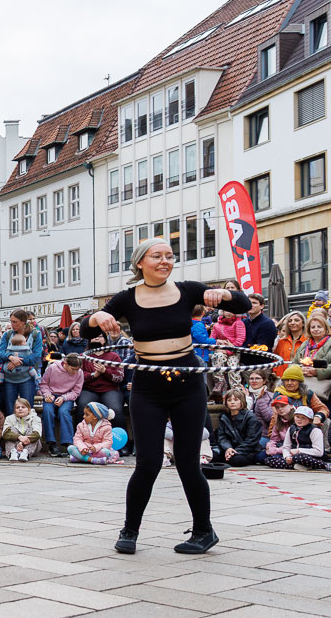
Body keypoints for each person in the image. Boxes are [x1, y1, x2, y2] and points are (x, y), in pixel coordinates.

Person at [81, 238, 250, 556]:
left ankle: (204, 531)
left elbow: (243, 305)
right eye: (156, 256)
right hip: (149, 387)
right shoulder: (127, 298)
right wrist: (95, 318)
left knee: (188, 463)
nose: (165, 261)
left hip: (187, 384)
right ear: (140, 263)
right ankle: (130, 530)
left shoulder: (188, 291)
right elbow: (85, 330)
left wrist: (225, 295)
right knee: (148, 463)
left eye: (170, 256)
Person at [39, 353, 84, 457]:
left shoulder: (79, 373)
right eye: (73, 369)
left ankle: (68, 443)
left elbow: (76, 391)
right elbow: (44, 384)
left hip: (67, 397)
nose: (75, 372)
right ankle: (51, 443)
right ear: (65, 364)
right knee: (48, 411)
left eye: (77, 369)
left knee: (64, 412)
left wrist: (64, 398)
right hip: (51, 395)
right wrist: (47, 395)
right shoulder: (53, 368)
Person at [264, 406, 330, 470]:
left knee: (298, 457)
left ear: (309, 420)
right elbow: (286, 447)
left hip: (310, 457)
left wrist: (299, 450)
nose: (299, 419)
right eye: (297, 417)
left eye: (303, 418)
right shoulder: (291, 428)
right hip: (294, 457)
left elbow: (319, 452)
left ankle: (325, 465)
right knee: (269, 460)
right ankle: (298, 466)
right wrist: (287, 456)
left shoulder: (315, 430)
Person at [296, 314, 331, 404]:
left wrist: (317, 372)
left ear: (326, 329)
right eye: (313, 327)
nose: (316, 329)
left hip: (328, 392)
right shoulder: (303, 346)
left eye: (319, 327)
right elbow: (294, 363)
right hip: (304, 389)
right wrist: (300, 370)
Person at [214, 388, 264, 466]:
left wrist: (235, 451)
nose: (232, 402)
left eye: (236, 400)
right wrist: (228, 448)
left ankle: (230, 456)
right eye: (229, 400)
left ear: (242, 401)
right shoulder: (224, 417)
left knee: (237, 460)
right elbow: (222, 437)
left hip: (246, 450)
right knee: (213, 456)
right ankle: (228, 455)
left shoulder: (250, 417)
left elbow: (251, 440)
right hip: (229, 449)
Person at [2, 397, 42, 461]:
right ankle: (12, 453)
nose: (20, 409)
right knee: (11, 430)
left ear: (29, 409)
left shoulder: (35, 418)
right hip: (15, 445)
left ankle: (25, 453)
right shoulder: (9, 418)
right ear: (15, 410)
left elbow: (37, 434)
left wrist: (22, 443)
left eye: (23, 407)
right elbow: (5, 433)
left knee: (31, 430)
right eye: (18, 407)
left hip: (32, 447)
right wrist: (19, 437)